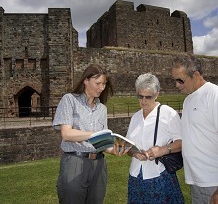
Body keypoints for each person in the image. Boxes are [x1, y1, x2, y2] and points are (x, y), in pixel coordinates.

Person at [53, 64, 121, 204]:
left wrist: (114, 149)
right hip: (75, 161)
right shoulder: (69, 100)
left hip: (99, 164)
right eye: (98, 83)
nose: (101, 88)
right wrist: (94, 134)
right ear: (86, 80)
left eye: (104, 84)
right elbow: (66, 134)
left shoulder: (102, 108)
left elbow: (102, 142)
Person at [126, 73, 184, 204]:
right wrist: (134, 152)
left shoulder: (168, 113)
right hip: (136, 175)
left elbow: (182, 142)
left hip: (160, 176)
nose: (143, 101)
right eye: (140, 96)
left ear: (157, 94)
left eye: (148, 97)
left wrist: (162, 150)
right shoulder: (135, 117)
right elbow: (128, 146)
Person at [171, 54, 218, 204]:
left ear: (196, 75)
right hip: (195, 181)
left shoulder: (213, 95)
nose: (177, 85)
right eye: (175, 80)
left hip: (213, 182)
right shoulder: (188, 100)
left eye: (180, 80)